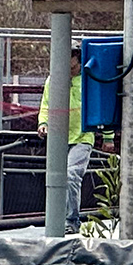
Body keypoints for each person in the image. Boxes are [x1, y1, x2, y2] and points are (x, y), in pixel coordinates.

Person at [37, 46, 94, 233]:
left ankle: (71, 220)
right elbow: (46, 104)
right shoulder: (53, 80)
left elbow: (97, 106)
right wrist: (43, 123)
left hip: (82, 136)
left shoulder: (88, 79)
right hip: (59, 136)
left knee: (71, 175)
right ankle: (56, 219)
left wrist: (108, 137)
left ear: (77, 58)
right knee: (55, 178)